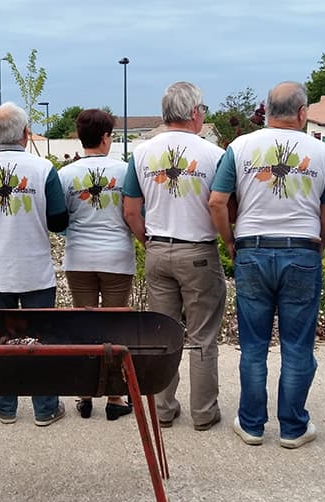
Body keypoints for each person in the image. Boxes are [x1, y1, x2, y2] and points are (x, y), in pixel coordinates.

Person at [209, 81, 325, 449]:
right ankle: (293, 428)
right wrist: (319, 244)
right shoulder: (323, 152)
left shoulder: (239, 148)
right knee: (297, 346)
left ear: (266, 111)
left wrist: (229, 240)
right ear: (302, 113)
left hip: (253, 250)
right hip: (302, 251)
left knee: (253, 346)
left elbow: (217, 201)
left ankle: (252, 424)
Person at [123, 82, 226, 431]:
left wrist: (148, 242)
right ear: (195, 112)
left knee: (161, 335)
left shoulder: (141, 154)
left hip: (158, 249)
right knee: (202, 335)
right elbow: (224, 205)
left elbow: (131, 211)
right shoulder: (213, 154)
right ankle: (204, 412)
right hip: (197, 250)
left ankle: (163, 409)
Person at [0, 102, 68, 427]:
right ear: (25, 132)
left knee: (0, 340)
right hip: (35, 270)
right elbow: (58, 220)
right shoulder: (43, 169)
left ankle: (5, 406)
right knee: (39, 340)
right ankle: (45, 408)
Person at [58, 109, 134, 420]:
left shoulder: (65, 175)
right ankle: (115, 396)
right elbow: (133, 212)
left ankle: (85, 393)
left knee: (85, 325)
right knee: (114, 328)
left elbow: (59, 218)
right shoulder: (125, 171)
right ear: (105, 137)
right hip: (116, 256)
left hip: (79, 257)